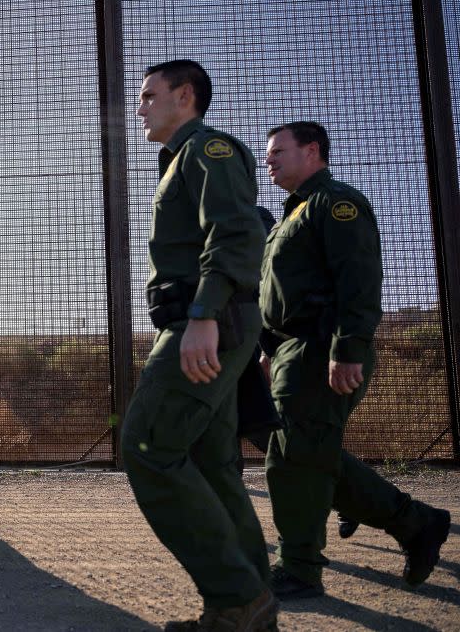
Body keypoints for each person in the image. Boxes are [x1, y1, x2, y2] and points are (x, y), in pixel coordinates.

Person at [261, 121, 451, 599]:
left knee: (295, 459)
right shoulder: (288, 216)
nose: (270, 160)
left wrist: (347, 350)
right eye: (268, 154)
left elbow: (359, 281)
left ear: (312, 151)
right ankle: (417, 522)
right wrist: (269, 348)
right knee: (302, 453)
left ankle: (300, 568)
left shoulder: (335, 202)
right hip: (292, 351)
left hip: (322, 347)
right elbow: (274, 294)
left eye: (279, 151)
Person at [121, 60, 277, 632]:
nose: (139, 107)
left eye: (148, 95)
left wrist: (204, 315)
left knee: (147, 445)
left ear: (184, 95)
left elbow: (236, 232)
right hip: (205, 320)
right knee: (212, 464)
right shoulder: (180, 160)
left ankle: (237, 596)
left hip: (209, 320)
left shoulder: (208, 150)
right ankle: (245, 605)